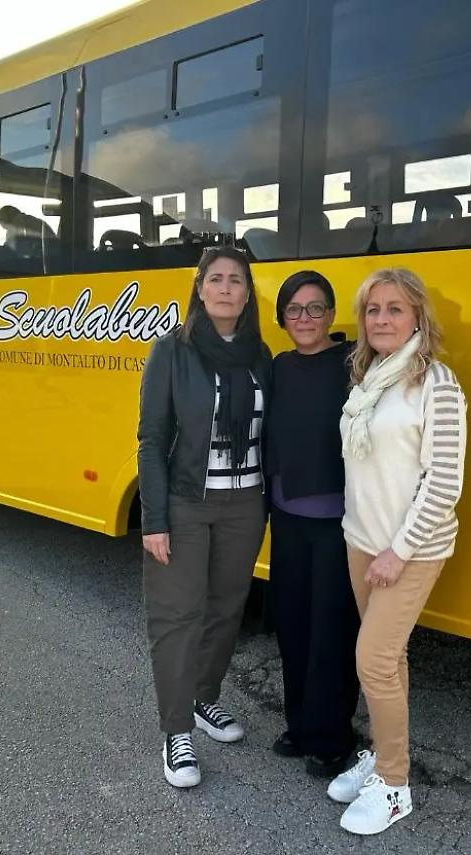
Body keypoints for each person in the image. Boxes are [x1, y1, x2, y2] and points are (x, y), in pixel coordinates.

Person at [327, 268, 468, 835]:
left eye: (395, 309)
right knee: (392, 660)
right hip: (361, 541)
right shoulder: (369, 379)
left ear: (418, 318)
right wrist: (363, 539)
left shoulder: (437, 383)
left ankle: (394, 785)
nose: (381, 319)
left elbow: (445, 481)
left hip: (410, 549)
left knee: (374, 662)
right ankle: (386, 758)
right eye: (372, 309)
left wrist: (398, 550)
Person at [136, 245, 272, 788]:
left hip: (246, 501)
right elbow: (151, 440)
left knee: (225, 611)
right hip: (189, 501)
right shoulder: (172, 351)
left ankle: (203, 699)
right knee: (177, 615)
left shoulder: (260, 354)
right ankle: (176, 731)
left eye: (235, 280)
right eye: (214, 278)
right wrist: (154, 519)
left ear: (246, 292)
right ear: (198, 288)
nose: (224, 288)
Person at [263, 270, 359, 779]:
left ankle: (332, 736)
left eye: (316, 308)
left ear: (330, 314)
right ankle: (299, 725)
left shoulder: (354, 363)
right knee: (293, 625)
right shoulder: (277, 367)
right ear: (282, 318)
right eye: (295, 309)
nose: (305, 318)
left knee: (332, 631)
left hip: (338, 524)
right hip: (287, 517)